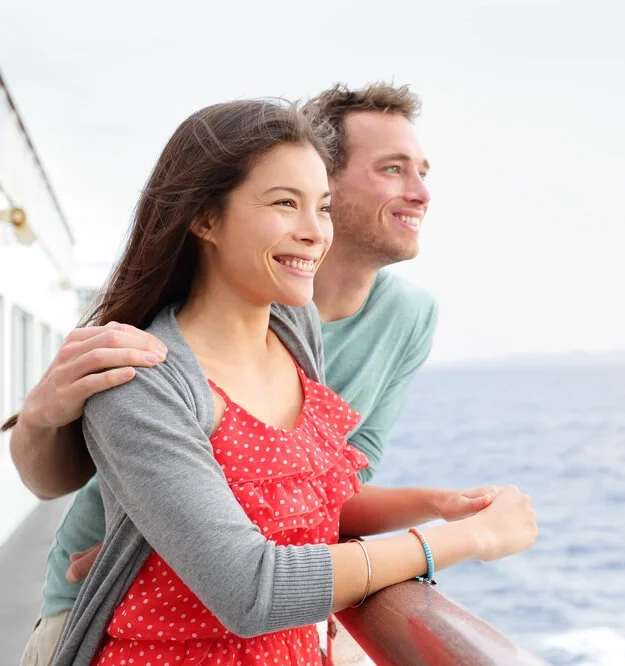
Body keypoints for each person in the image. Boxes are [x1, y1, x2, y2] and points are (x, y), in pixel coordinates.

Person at [35, 98, 537, 665]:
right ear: (204, 218)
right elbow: (251, 589)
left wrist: (444, 503)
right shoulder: (144, 378)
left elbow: (318, 493)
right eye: (284, 204)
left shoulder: (295, 329)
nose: (314, 232)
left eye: (321, 208)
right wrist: (469, 541)